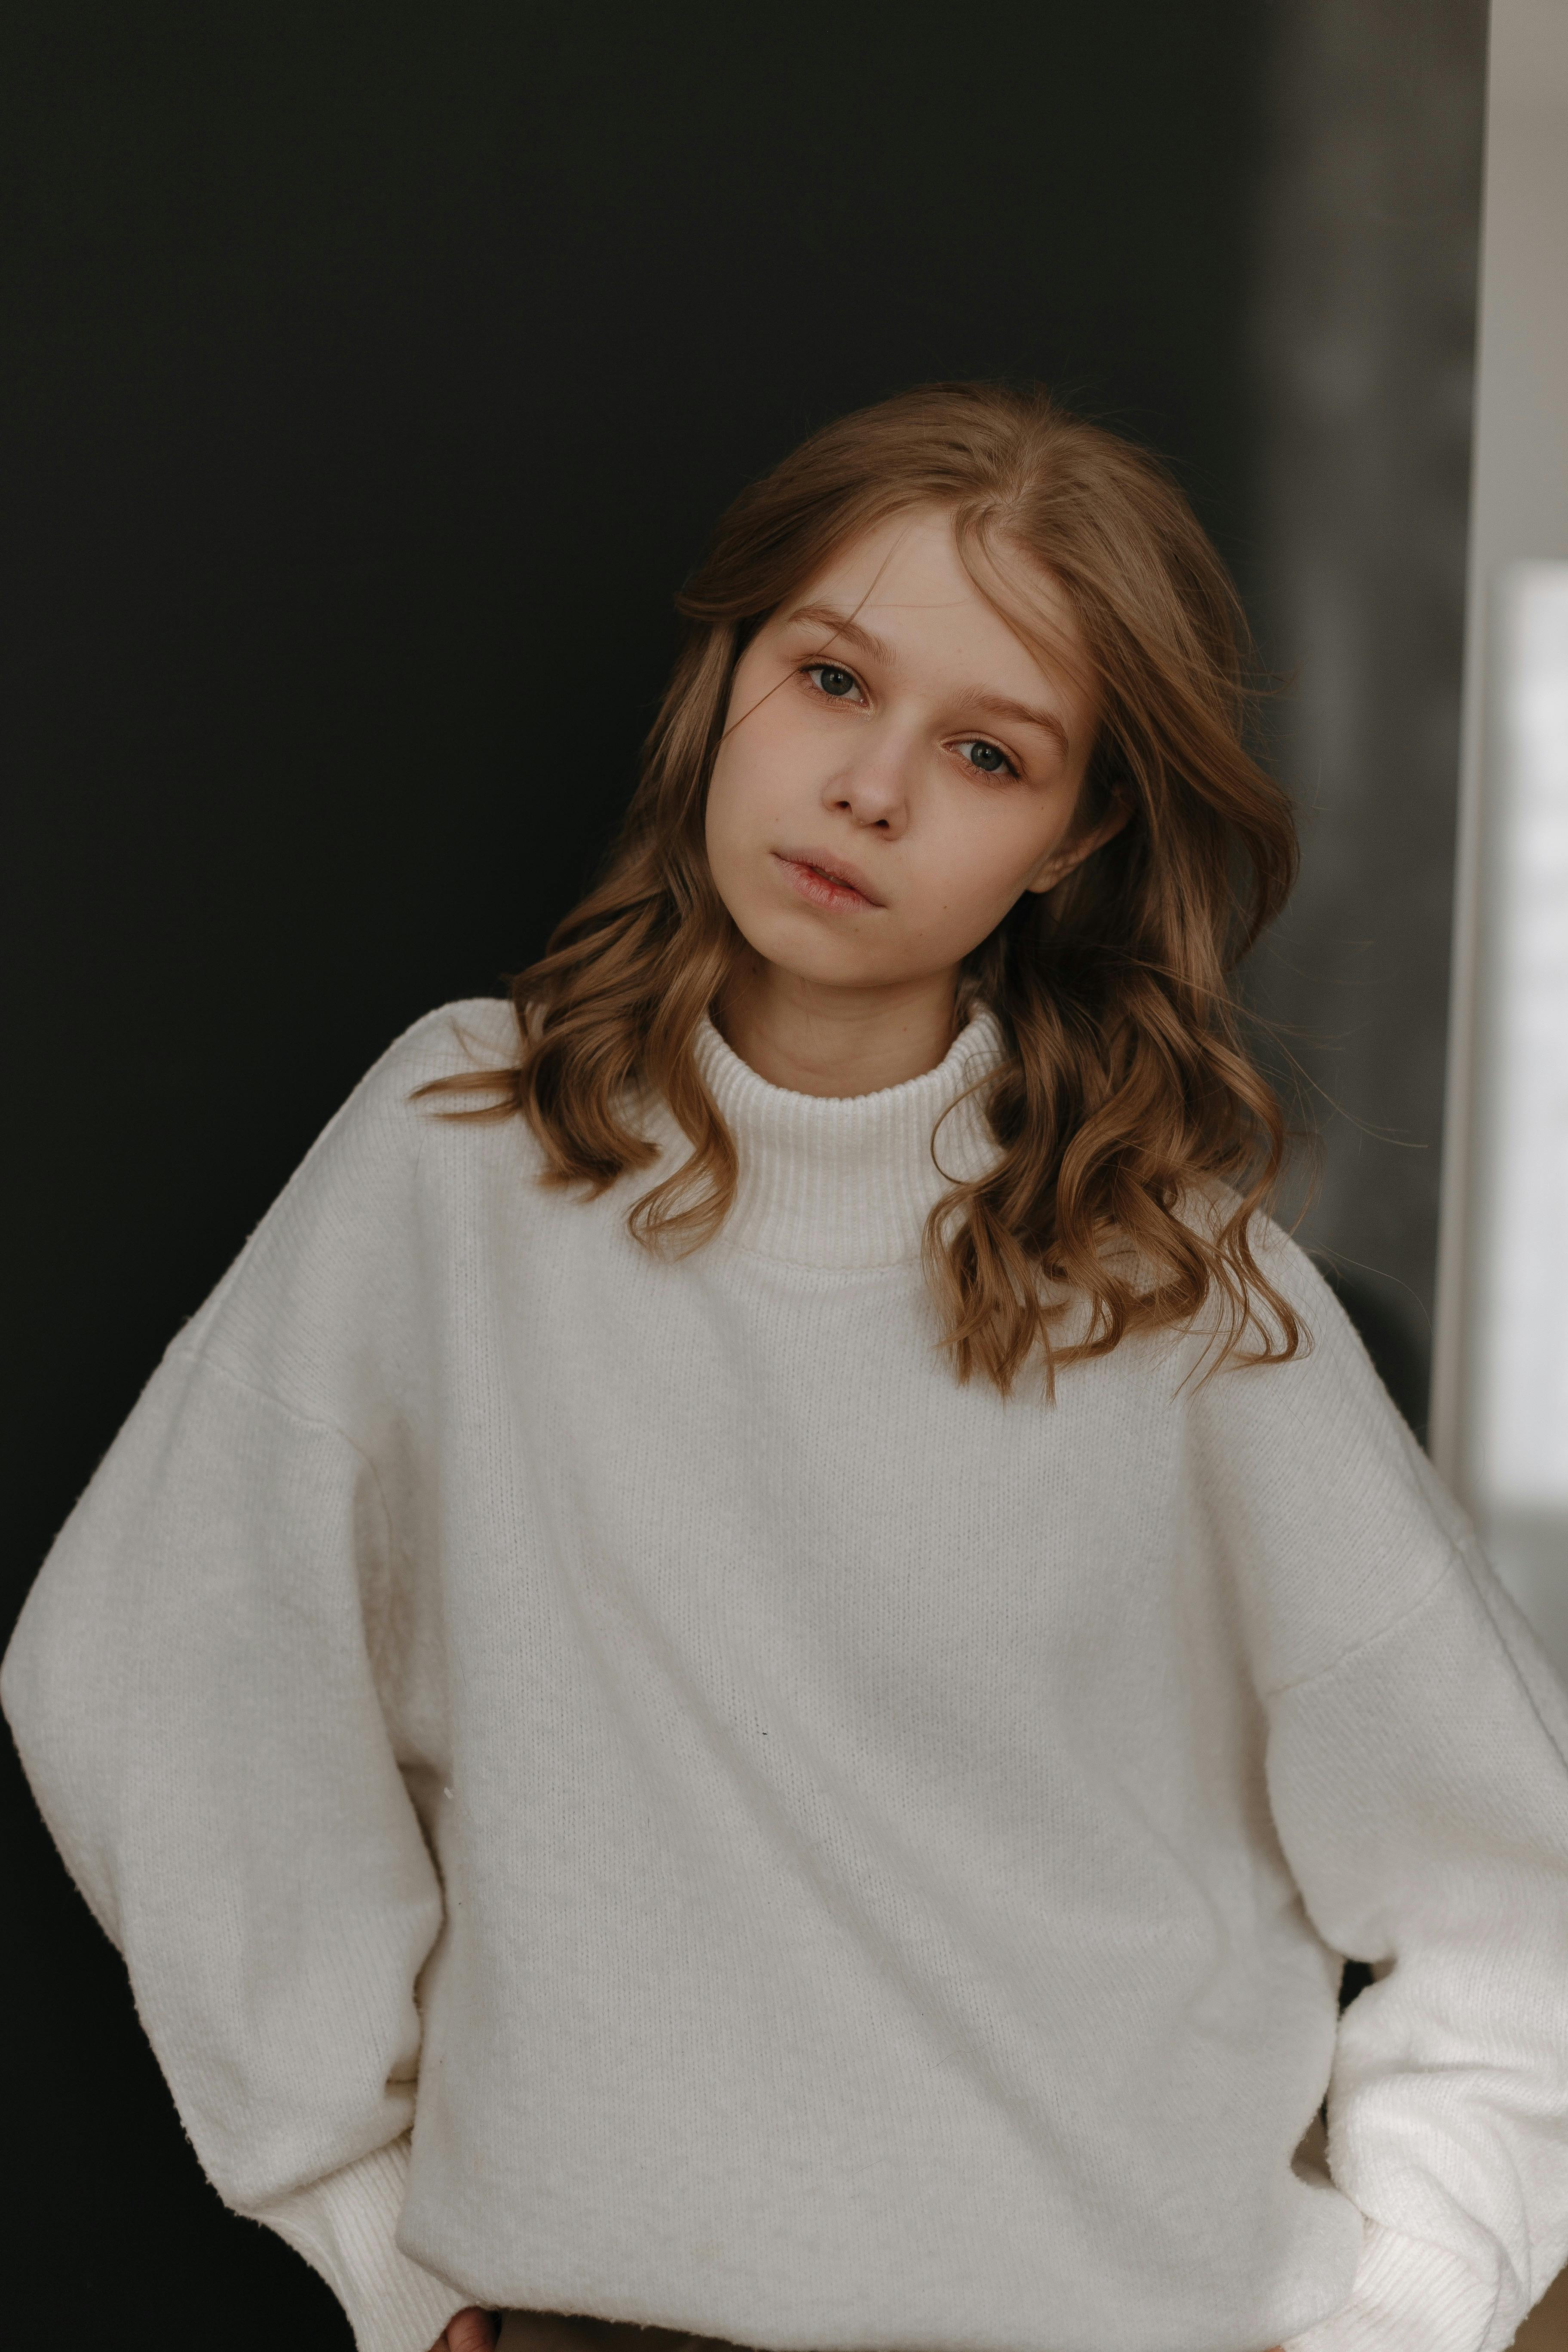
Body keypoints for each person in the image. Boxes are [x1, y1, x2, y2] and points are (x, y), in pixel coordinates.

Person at [5, 381, 1567, 2352]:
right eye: (832, 680)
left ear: (1075, 838)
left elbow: (1520, 1891)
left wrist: (1417, 2311)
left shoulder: (1172, 1288)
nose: (872, 790)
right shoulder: (459, 1144)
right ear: (729, 673)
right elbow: (158, 1679)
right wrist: (368, 2219)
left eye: (986, 751)